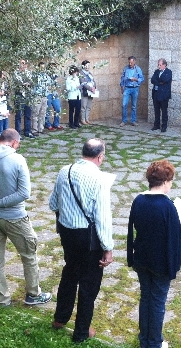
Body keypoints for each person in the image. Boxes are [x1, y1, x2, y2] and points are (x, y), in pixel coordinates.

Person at [0, 128, 51, 307]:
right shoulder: (18, 159)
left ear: (0, 139)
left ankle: (3, 299)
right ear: (15, 142)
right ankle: (33, 294)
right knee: (29, 256)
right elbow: (24, 193)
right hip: (15, 217)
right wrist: (1, 202)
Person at [50, 139, 114, 343]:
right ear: (100, 157)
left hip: (67, 232)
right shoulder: (100, 179)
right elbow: (102, 217)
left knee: (70, 273)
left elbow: (53, 203)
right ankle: (81, 332)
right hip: (88, 237)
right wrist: (108, 248)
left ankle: (60, 319)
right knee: (89, 283)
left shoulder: (65, 171)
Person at [127, 160, 181, 348]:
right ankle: (154, 343)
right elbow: (173, 239)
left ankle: (145, 339)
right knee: (158, 301)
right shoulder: (167, 206)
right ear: (165, 181)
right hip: (160, 262)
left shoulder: (139, 200)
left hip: (142, 258)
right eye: (171, 181)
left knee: (146, 298)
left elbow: (134, 227)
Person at [120, 56, 144, 126]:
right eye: (129, 62)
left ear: (134, 62)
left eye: (131, 62)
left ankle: (133, 121)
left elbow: (142, 78)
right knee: (124, 105)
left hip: (135, 88)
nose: (130, 64)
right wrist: (121, 87)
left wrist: (136, 79)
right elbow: (122, 78)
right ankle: (124, 121)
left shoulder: (138, 69)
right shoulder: (126, 68)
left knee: (134, 105)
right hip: (127, 88)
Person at [13, 59, 35, 139]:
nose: (24, 65)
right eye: (22, 63)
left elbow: (32, 82)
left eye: (25, 63)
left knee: (28, 115)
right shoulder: (15, 73)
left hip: (28, 96)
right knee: (18, 115)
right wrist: (24, 83)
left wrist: (29, 83)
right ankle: (18, 134)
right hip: (19, 96)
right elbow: (18, 83)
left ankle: (27, 132)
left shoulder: (28, 73)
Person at [150, 58, 172, 132]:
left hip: (163, 94)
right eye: (158, 65)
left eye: (160, 65)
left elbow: (165, 79)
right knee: (156, 110)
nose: (159, 66)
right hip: (156, 93)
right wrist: (159, 82)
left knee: (164, 111)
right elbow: (152, 80)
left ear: (164, 65)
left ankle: (164, 126)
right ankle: (156, 125)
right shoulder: (156, 71)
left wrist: (158, 80)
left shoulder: (168, 72)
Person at [31, 61, 51, 136]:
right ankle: (34, 130)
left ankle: (41, 128)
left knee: (43, 113)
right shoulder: (35, 76)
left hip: (44, 96)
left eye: (44, 68)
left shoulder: (46, 76)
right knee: (35, 113)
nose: (43, 69)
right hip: (37, 96)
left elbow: (49, 84)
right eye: (41, 67)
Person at [80, 60, 97, 125]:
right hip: (84, 92)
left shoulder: (89, 73)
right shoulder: (81, 73)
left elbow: (93, 81)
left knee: (89, 106)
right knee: (83, 106)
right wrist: (90, 88)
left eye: (89, 65)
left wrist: (94, 87)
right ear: (83, 66)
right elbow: (83, 83)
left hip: (91, 92)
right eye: (86, 65)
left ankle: (87, 119)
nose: (88, 67)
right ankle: (83, 119)